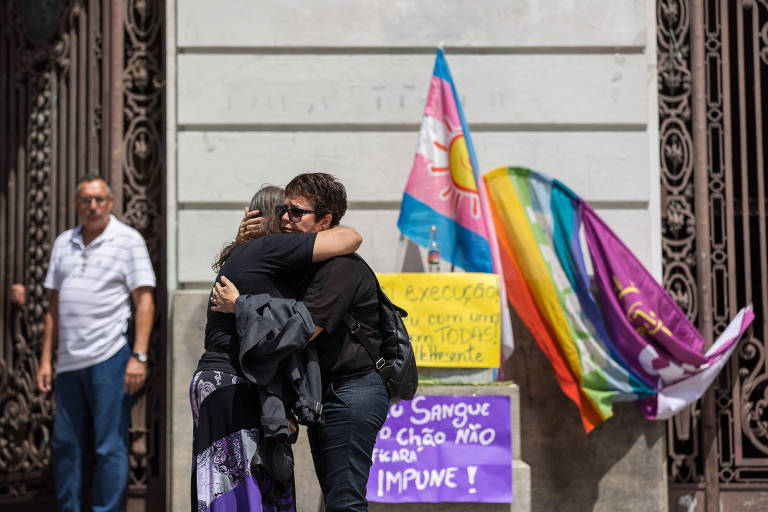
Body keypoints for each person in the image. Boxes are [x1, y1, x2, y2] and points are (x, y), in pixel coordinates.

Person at [213, 173, 390, 512]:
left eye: (296, 213)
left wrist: (241, 306)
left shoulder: (340, 268)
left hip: (353, 391)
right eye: (283, 209)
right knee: (335, 497)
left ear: (325, 221)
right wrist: (247, 244)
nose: (284, 218)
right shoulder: (307, 264)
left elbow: (299, 330)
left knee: (344, 500)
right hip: (330, 393)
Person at [36, 173, 156, 512]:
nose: (93, 206)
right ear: (77, 204)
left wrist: (140, 356)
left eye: (99, 199)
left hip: (110, 356)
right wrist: (47, 360)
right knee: (66, 446)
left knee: (109, 447)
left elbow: (144, 300)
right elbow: (53, 307)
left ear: (111, 202)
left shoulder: (128, 240)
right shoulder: (64, 243)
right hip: (69, 363)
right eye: (86, 200)